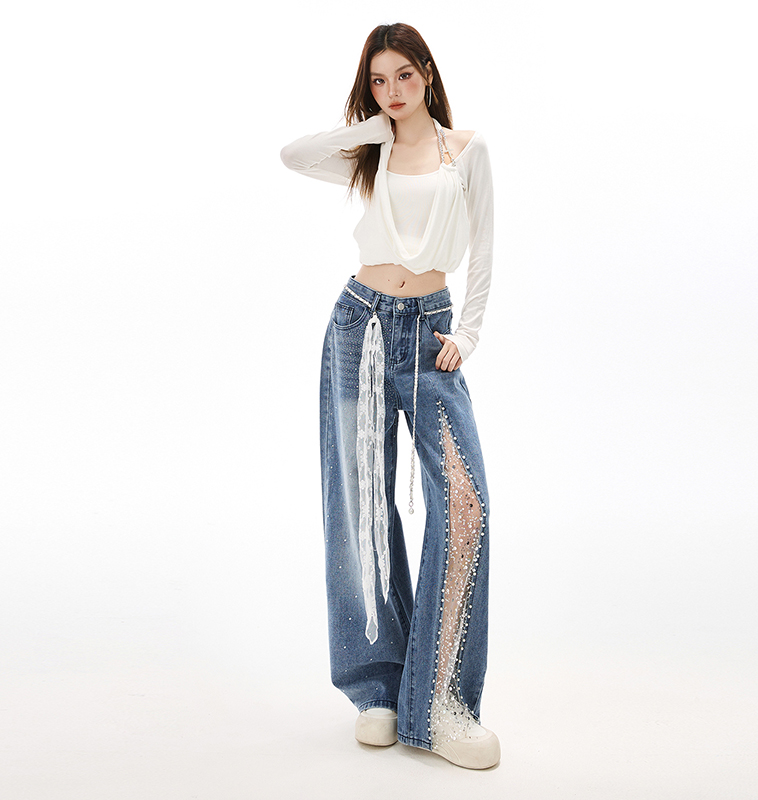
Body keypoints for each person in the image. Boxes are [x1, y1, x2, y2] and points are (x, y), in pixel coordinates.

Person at [280, 22, 498, 769]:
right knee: (360, 505)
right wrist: (371, 127)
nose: (393, 91)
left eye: (404, 75)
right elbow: (293, 155)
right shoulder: (369, 150)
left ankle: (440, 703)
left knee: (465, 504)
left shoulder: (466, 151)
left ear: (427, 73)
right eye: (379, 80)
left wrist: (468, 335)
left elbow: (486, 248)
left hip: (431, 335)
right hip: (359, 328)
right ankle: (377, 687)